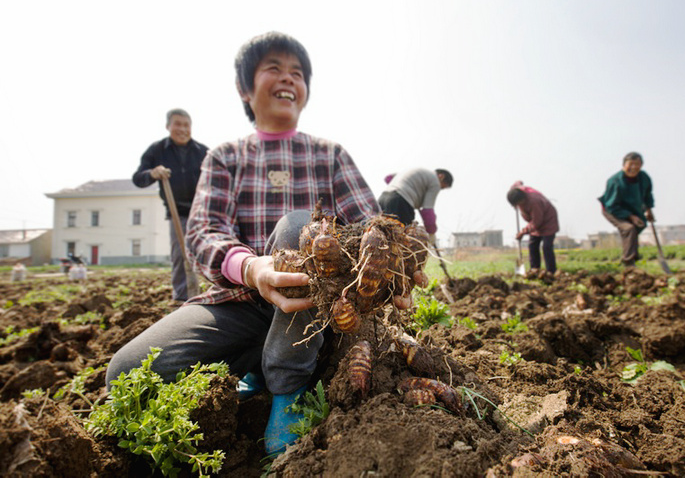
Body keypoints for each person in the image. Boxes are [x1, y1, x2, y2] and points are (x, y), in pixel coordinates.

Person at [107, 32, 412, 457]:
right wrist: (252, 269)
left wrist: (395, 270)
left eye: (298, 73)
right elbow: (203, 231)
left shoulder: (331, 155)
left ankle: (288, 387)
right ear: (245, 89)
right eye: (274, 68)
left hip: (322, 313)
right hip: (243, 300)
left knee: (299, 227)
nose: (288, 78)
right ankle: (258, 363)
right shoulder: (226, 157)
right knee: (129, 372)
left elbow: (370, 226)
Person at [132, 109, 209, 302]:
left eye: (186, 125)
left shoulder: (202, 152)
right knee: (180, 256)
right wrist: (153, 173)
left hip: (203, 213)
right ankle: (182, 299)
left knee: (210, 253)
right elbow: (138, 178)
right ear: (168, 126)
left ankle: (212, 294)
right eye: (178, 124)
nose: (182, 129)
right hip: (178, 214)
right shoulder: (157, 151)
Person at [598, 151, 655, 267]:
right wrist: (630, 216)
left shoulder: (644, 177)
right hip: (611, 209)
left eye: (637, 164)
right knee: (629, 229)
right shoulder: (615, 181)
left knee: (639, 225)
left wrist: (649, 210)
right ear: (624, 165)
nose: (634, 167)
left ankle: (631, 256)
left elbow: (648, 194)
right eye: (631, 164)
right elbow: (611, 205)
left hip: (631, 208)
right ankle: (629, 262)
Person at [377, 168, 453, 245]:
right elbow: (427, 211)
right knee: (402, 243)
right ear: (441, 176)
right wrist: (431, 232)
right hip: (400, 203)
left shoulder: (418, 172)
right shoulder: (435, 181)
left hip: (383, 199)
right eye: (442, 187)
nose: (439, 189)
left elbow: (388, 178)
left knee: (385, 238)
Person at [507, 181, 559, 274]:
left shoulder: (534, 201)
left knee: (547, 247)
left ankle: (551, 271)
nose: (518, 206)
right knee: (532, 245)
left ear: (523, 199)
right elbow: (517, 183)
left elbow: (537, 222)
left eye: (519, 203)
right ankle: (534, 270)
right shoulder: (517, 192)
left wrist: (523, 232)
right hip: (534, 222)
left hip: (548, 221)